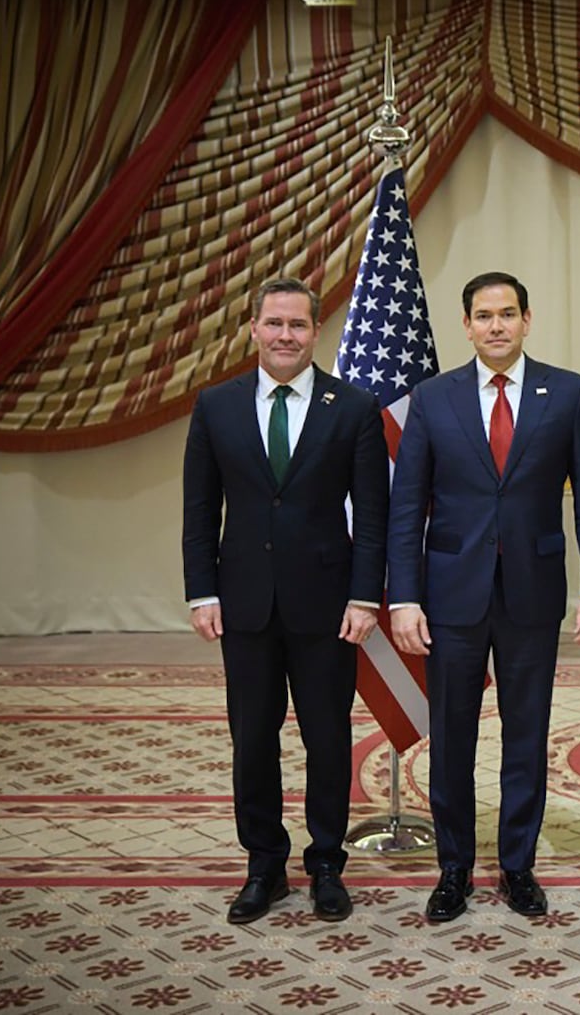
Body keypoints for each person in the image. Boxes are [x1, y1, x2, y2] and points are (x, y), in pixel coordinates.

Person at [388, 271, 580, 922]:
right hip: (450, 595)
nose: (495, 325)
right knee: (452, 737)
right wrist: (403, 596)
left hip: (532, 594)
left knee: (526, 735)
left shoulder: (566, 393)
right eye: (483, 315)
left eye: (507, 313)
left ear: (527, 319)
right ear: (466, 325)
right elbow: (408, 508)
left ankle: (517, 864)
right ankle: (454, 867)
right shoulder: (433, 398)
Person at [182, 276, 389, 925]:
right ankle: (264, 865)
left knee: (328, 739)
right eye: (274, 324)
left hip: (329, 606)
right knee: (252, 738)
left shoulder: (351, 407)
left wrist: (365, 596)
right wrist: (201, 589)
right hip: (243, 603)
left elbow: (375, 516)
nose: (285, 336)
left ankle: (326, 861)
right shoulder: (215, 406)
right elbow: (198, 510)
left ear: (314, 331)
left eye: (297, 325)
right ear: (253, 328)